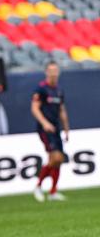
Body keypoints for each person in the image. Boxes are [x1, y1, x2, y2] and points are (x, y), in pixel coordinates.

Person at [32, 61, 70, 202]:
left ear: (58, 72)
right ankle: (38, 186)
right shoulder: (41, 89)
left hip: (56, 128)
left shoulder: (59, 90)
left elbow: (62, 110)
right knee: (56, 158)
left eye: (56, 70)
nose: (53, 73)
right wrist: (44, 123)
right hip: (45, 129)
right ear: (46, 72)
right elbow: (34, 108)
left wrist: (66, 128)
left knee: (58, 161)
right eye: (51, 70)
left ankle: (53, 191)